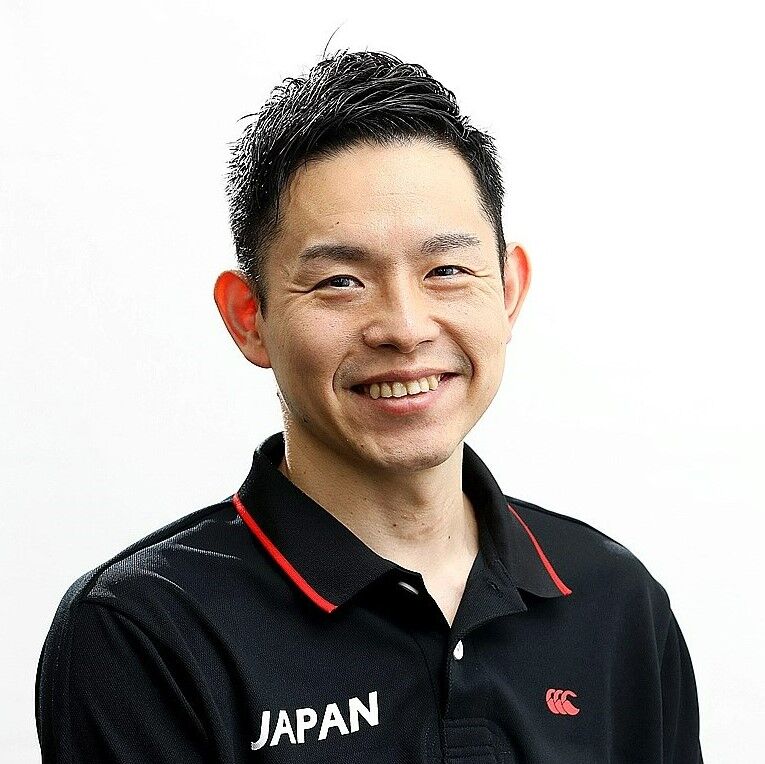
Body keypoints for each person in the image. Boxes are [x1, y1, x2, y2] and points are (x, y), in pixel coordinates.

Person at [36, 50, 702, 763]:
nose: (405, 328)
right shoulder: (146, 629)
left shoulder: (614, 600)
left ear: (508, 291)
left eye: (446, 270)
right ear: (249, 317)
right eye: (340, 282)